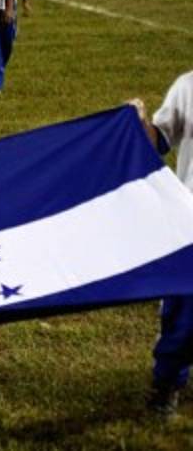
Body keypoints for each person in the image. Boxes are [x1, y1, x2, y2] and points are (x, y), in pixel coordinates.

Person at [131, 78, 193, 416]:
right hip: (191, 226)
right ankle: (167, 381)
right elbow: (158, 140)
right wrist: (137, 123)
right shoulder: (189, 86)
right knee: (185, 315)